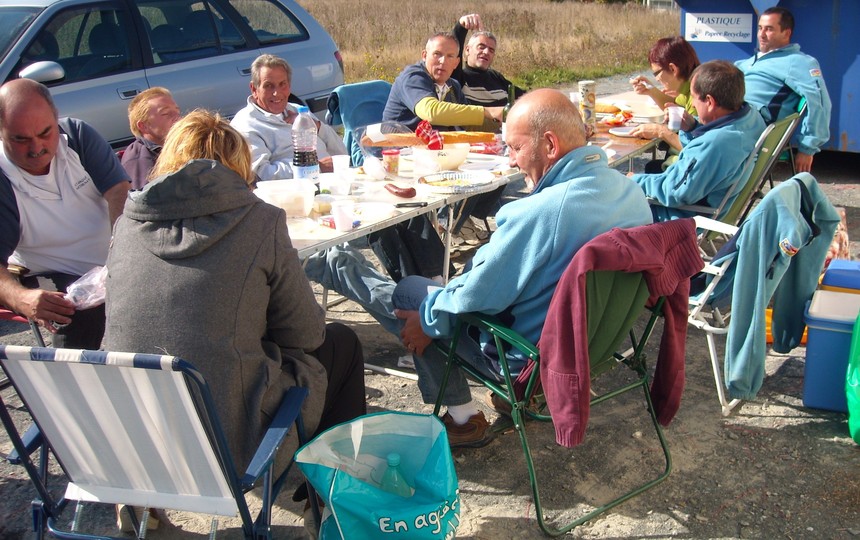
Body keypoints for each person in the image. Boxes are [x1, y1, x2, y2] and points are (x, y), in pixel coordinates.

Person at [104, 111, 366, 524]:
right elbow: (307, 332)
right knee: (342, 344)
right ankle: (334, 502)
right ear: (240, 167)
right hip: (227, 441)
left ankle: (142, 507)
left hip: (133, 440)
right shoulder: (259, 222)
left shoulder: (127, 223)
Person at [392, 89, 653, 448]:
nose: (512, 161)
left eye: (515, 148)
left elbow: (475, 293)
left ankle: (461, 418)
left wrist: (427, 321)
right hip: (599, 343)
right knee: (442, 301)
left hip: (529, 361)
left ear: (549, 145)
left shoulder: (542, 212)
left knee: (412, 294)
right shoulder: (631, 193)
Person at [0, 78, 130, 349]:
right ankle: (73, 385)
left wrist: (120, 251)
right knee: (74, 313)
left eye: (45, 133)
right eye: (20, 139)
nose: (36, 149)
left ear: (56, 118)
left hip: (116, 257)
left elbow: (118, 189)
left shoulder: (77, 136)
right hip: (56, 274)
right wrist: (20, 298)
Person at [631, 60, 767, 222]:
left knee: (607, 201)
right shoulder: (751, 117)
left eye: (694, 98)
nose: (693, 105)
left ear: (710, 101)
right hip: (714, 203)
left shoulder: (717, 144)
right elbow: (704, 162)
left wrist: (633, 181)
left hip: (684, 217)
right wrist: (692, 127)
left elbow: (674, 192)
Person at [735, 6, 831, 173]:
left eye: (769, 29)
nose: (761, 34)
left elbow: (820, 103)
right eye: (760, 28)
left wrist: (807, 148)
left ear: (786, 33)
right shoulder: (745, 63)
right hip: (726, 117)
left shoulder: (798, 62)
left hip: (749, 129)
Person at [231, 54, 348, 179]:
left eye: (282, 84)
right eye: (268, 86)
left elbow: (342, 153)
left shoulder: (298, 110)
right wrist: (315, 167)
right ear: (254, 89)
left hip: (333, 182)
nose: (277, 93)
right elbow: (260, 174)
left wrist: (317, 126)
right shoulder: (246, 124)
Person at [383, 32, 505, 130]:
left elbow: (469, 123)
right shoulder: (413, 77)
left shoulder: (453, 86)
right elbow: (431, 112)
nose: (443, 61)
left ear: (456, 63)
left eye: (450, 56)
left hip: (434, 153)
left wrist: (504, 122)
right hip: (394, 153)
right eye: (437, 54)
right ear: (424, 55)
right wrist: (489, 111)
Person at [628, 36, 700, 172]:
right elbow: (674, 106)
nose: (657, 78)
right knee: (650, 167)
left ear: (673, 69)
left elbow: (698, 149)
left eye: (657, 73)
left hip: (683, 171)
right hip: (682, 167)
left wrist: (660, 131)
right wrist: (650, 90)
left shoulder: (698, 97)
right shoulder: (690, 86)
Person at [452, 13, 525, 112]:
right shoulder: (459, 78)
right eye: (481, 47)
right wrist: (460, 28)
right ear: (467, 50)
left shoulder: (496, 77)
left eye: (491, 50)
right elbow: (453, 53)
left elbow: (525, 96)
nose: (486, 52)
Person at [121, 87, 181, 189]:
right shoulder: (139, 160)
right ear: (144, 126)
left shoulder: (179, 145)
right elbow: (145, 201)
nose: (178, 117)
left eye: (177, 111)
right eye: (165, 113)